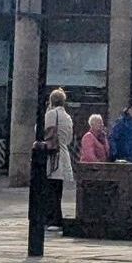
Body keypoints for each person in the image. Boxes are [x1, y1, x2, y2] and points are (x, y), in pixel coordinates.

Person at [42, 87, 75, 232]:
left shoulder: (51, 114)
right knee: (57, 189)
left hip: (52, 155)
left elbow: (41, 132)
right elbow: (69, 138)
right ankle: (56, 218)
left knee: (49, 189)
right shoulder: (67, 117)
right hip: (63, 153)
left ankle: (52, 219)